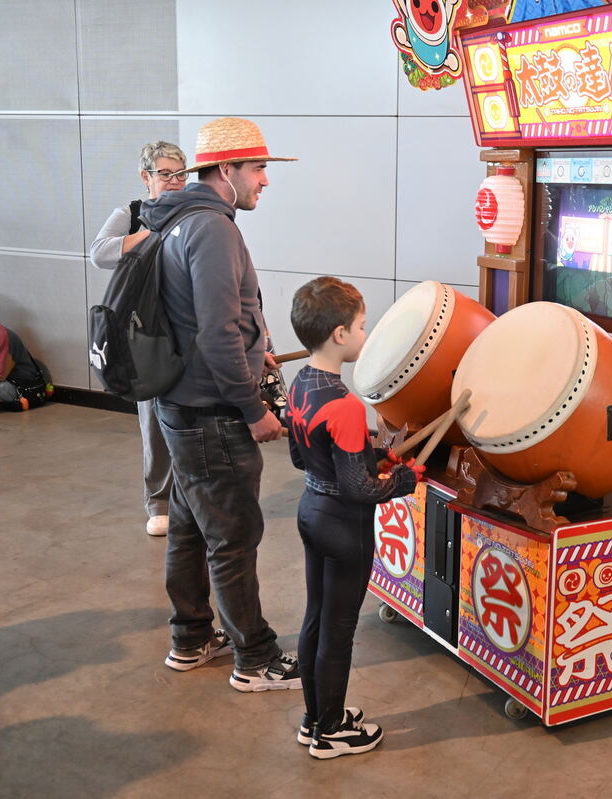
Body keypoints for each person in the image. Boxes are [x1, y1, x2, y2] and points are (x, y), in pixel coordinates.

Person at [141, 117, 300, 692]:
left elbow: (206, 322)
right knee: (233, 537)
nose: (265, 180)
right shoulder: (211, 228)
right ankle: (255, 658)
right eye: (258, 168)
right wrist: (253, 407)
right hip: (212, 412)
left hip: (180, 403)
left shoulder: (175, 219)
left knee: (188, 526)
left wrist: (258, 356)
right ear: (226, 171)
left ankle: (191, 638)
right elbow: (216, 330)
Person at [286, 277, 422, 759]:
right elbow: (358, 489)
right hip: (344, 526)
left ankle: (314, 718)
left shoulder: (300, 383)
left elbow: (303, 460)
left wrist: (372, 453)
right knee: (339, 632)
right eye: (362, 326)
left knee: (316, 619)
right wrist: (404, 480)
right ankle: (330, 733)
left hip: (310, 512)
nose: (366, 335)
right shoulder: (345, 404)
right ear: (339, 334)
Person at [90, 141, 189, 537]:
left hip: (186, 326)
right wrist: (149, 234)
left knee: (189, 415)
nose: (174, 181)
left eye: (180, 174)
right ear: (146, 176)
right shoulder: (131, 214)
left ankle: (188, 498)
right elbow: (99, 252)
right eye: (165, 174)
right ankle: (159, 501)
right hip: (142, 330)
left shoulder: (195, 210)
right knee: (153, 419)